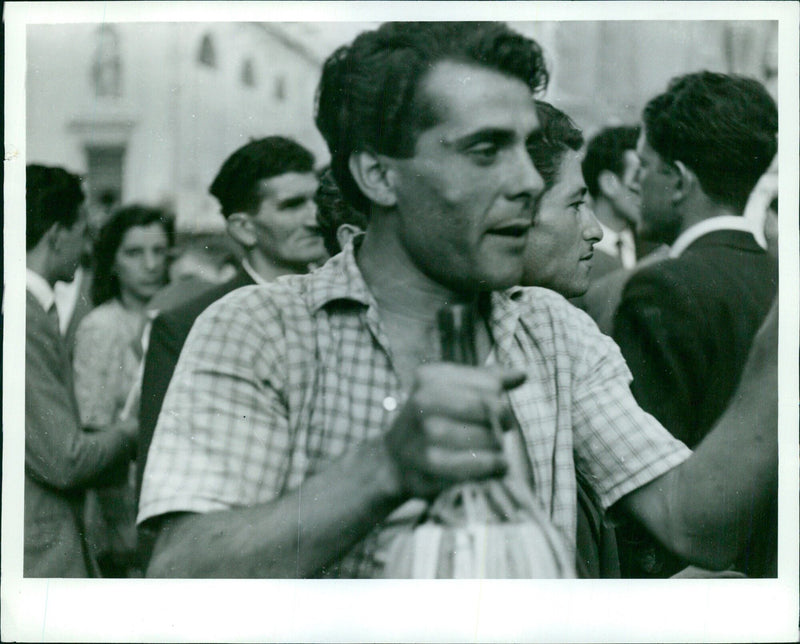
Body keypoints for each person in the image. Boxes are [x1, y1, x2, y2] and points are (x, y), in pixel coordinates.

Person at [138, 22, 776, 579]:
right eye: (485, 149)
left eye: (527, 150)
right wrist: (386, 467)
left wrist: (778, 357)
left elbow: (692, 522)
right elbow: (181, 571)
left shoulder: (551, 329)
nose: (528, 181)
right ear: (379, 174)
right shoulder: (258, 328)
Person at [612, 71, 779, 577]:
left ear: (680, 181)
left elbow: (647, 489)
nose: (636, 183)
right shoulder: (778, 276)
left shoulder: (659, 288)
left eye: (645, 167)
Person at [136, 136, 325, 513]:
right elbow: (160, 481)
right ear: (243, 228)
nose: (315, 217)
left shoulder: (340, 303)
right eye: (292, 205)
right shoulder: (183, 325)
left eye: (316, 200)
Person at [24, 164, 137, 577]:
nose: (87, 244)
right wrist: (128, 432)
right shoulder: (25, 314)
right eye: (83, 231)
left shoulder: (35, 310)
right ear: (56, 234)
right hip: (41, 561)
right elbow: (65, 459)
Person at [73, 204, 174, 577]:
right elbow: (96, 431)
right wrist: (121, 530)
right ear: (112, 261)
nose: (150, 264)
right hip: (121, 510)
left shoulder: (172, 319)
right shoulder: (102, 327)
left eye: (159, 251)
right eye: (134, 252)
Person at [580, 127, 641, 277]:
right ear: (608, 184)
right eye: (637, 179)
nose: (648, 189)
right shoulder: (574, 249)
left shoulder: (654, 246)